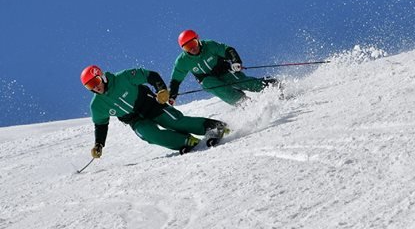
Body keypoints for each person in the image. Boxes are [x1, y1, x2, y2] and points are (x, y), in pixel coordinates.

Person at [81, 65, 228, 157]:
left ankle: (216, 127)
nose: (95, 87)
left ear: (102, 77)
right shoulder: (97, 105)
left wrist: (161, 90)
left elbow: (150, 75)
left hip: (151, 105)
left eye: (95, 82)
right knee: (150, 135)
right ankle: (188, 142)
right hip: (135, 120)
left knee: (175, 122)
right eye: (89, 87)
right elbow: (100, 125)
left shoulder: (123, 78)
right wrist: (99, 144)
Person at [169, 30, 277, 106]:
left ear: (198, 40)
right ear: (183, 49)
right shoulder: (182, 61)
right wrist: (172, 96)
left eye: (193, 43)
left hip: (224, 70)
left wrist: (235, 61)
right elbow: (175, 81)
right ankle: (243, 103)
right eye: (188, 47)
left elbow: (228, 50)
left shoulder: (209, 45)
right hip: (208, 79)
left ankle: (273, 86)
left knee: (242, 82)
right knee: (210, 85)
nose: (193, 48)